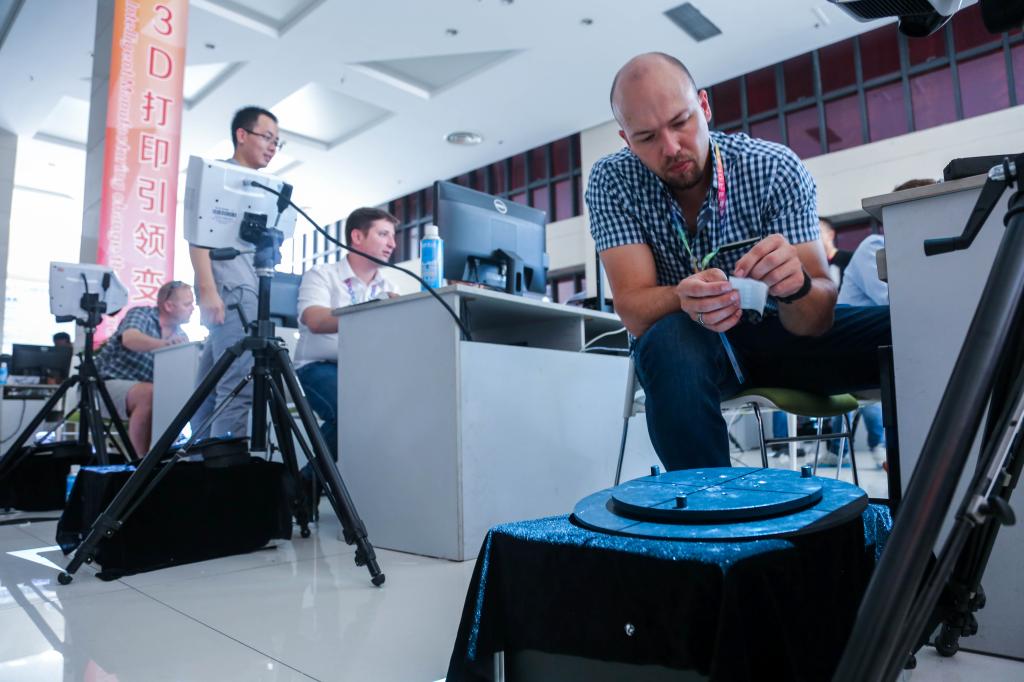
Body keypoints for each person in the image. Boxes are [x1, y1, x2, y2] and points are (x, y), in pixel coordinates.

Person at [586, 52, 891, 471]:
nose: (671, 148)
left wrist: (797, 285)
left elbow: (818, 316)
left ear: (704, 106)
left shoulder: (773, 168)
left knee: (911, 329)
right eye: (647, 138)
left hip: (784, 333)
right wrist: (682, 297)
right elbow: (634, 310)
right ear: (626, 139)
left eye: (681, 122)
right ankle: (711, 507)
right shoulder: (613, 181)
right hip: (689, 348)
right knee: (669, 338)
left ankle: (941, 497)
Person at [826, 178, 937, 468]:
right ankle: (901, 454)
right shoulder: (874, 247)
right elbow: (892, 302)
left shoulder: (923, 251)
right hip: (856, 352)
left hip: (887, 352)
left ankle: (913, 454)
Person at [189, 106, 282, 441]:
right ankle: (226, 463)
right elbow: (198, 236)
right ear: (242, 135)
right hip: (232, 292)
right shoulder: (220, 177)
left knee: (208, 389)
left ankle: (200, 457)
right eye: (267, 137)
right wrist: (207, 290)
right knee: (239, 386)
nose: (272, 147)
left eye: (277, 142)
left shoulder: (263, 189)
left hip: (249, 289)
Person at [293, 207, 399, 468]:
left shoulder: (389, 288)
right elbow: (315, 320)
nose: (392, 244)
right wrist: (374, 310)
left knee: (401, 408)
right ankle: (307, 482)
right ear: (357, 236)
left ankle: (314, 481)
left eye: (393, 236)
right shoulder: (322, 274)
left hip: (366, 370)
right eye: (383, 234)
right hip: (318, 366)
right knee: (351, 412)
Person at [94, 281, 194, 455]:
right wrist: (165, 345)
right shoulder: (141, 314)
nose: (192, 308)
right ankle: (139, 462)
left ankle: (166, 457)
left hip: (142, 392)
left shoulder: (181, 335)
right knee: (150, 394)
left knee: (174, 398)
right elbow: (130, 339)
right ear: (169, 306)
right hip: (103, 386)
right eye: (187, 304)